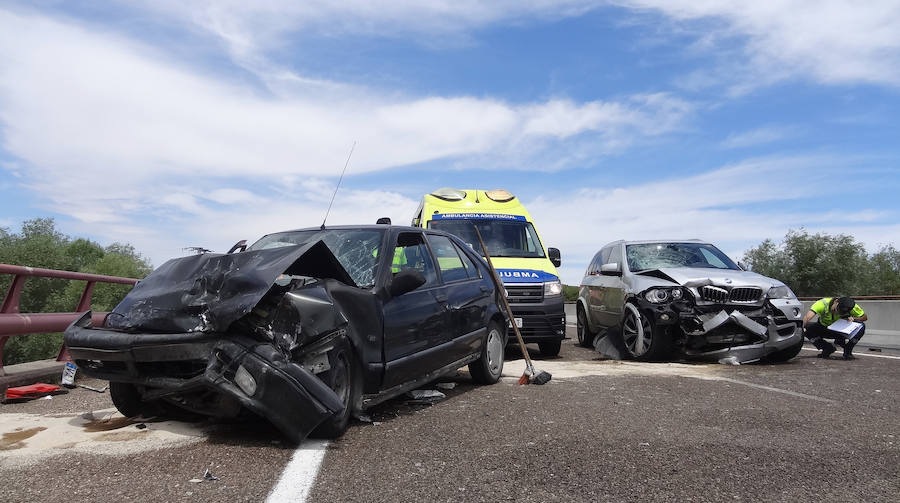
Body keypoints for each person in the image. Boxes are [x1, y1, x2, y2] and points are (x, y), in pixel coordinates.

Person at [801, 296, 868, 360]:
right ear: (836, 302)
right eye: (837, 310)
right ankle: (827, 348)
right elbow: (807, 317)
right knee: (805, 328)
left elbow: (864, 317)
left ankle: (848, 350)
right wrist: (801, 328)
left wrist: (853, 318)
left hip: (840, 331)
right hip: (824, 328)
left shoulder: (852, 306)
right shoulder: (822, 303)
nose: (836, 313)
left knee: (861, 326)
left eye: (841, 313)